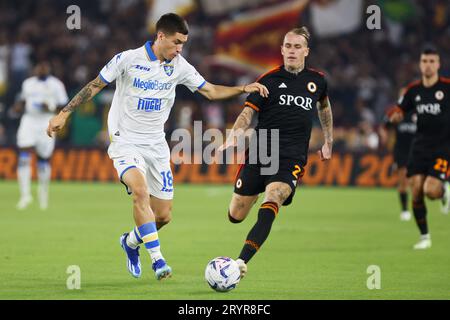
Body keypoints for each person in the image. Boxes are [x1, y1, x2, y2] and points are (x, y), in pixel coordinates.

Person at [46, 13, 268, 281]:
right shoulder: (127, 59)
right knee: (139, 192)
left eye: (183, 44)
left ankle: (130, 241)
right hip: (125, 141)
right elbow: (95, 85)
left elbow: (209, 90)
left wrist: (244, 88)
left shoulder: (179, 65)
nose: (179, 49)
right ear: (160, 36)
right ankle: (158, 260)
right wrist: (64, 113)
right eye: (176, 43)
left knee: (162, 216)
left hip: (156, 146)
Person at [218, 27, 333, 278]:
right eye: (288, 46)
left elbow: (324, 107)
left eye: (297, 47)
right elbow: (247, 113)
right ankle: (257, 192)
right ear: (281, 49)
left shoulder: (318, 81)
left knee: (275, 195)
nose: (292, 51)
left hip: (292, 155)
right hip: (261, 151)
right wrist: (235, 135)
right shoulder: (267, 80)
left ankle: (240, 262)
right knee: (236, 215)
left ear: (306, 51)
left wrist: (328, 141)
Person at [390, 46, 450, 250]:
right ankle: (425, 237)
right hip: (419, 147)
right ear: (420, 64)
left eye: (432, 61)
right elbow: (398, 109)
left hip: (443, 147)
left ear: (439, 64)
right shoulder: (413, 90)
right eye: (425, 61)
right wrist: (396, 115)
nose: (428, 65)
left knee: (430, 190)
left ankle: (443, 191)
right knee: (416, 190)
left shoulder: (447, 88)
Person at [14, 61, 68, 210]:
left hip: (46, 121)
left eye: (44, 67)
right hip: (29, 120)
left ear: (48, 69)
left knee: (43, 159)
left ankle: (43, 193)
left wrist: (49, 107)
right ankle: (25, 196)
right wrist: (19, 106)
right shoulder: (28, 83)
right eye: (39, 67)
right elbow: (23, 100)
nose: (41, 69)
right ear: (35, 69)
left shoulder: (56, 85)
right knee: (24, 154)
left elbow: (63, 106)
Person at [382, 90, 416, 221]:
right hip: (400, 150)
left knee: (415, 182)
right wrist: (386, 139)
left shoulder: (418, 112)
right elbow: (385, 127)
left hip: (416, 150)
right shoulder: (396, 113)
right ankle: (405, 210)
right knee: (402, 180)